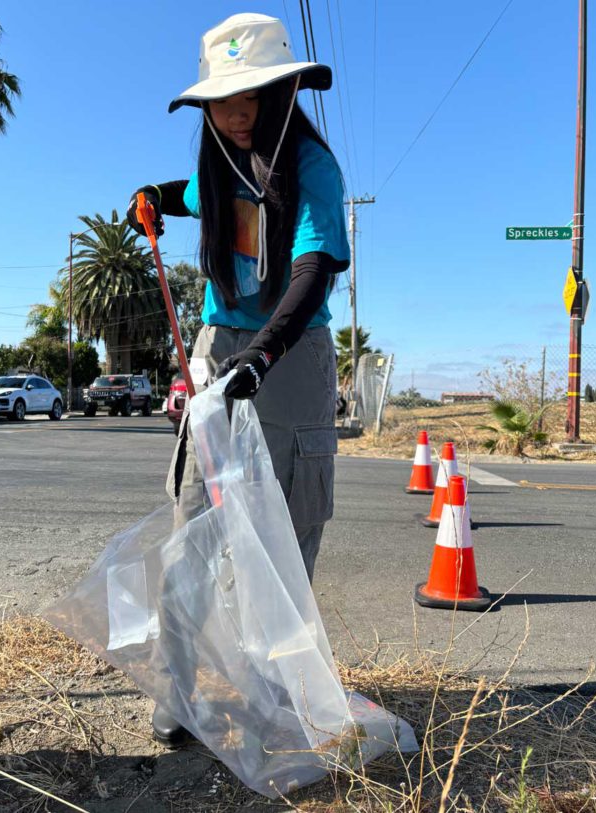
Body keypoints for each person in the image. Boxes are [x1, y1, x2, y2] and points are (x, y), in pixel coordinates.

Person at [127, 12, 349, 746]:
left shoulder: (314, 168)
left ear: (284, 91)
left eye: (254, 94)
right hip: (220, 350)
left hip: (295, 353)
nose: (239, 111)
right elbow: (179, 192)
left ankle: (276, 687)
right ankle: (178, 684)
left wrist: (265, 356)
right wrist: (152, 200)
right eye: (224, 99)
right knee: (194, 525)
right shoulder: (215, 170)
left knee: (287, 532)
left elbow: (313, 272)